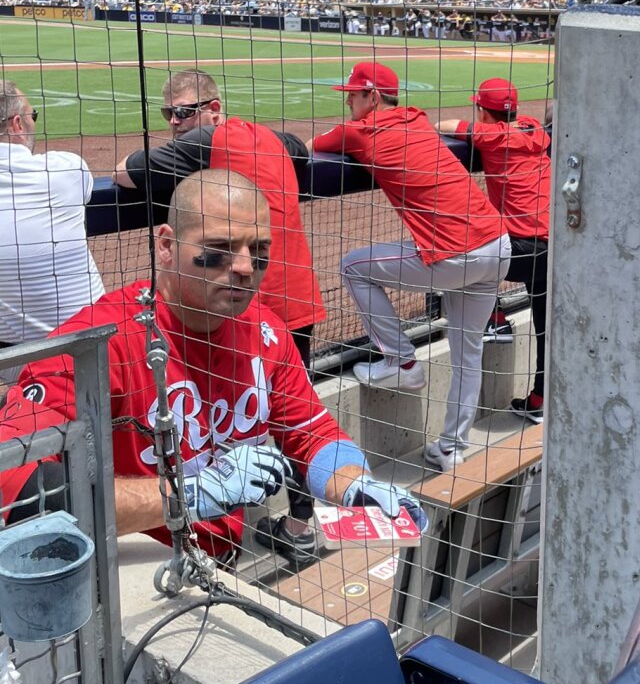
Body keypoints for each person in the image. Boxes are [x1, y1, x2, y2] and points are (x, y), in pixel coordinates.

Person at [0, 170, 420, 558]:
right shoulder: (95, 345)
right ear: (166, 246)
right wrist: (189, 493)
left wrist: (354, 484)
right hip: (131, 562)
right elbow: (17, 486)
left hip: (219, 559)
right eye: (219, 250)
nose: (243, 267)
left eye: (258, 250)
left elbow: (311, 433)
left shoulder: (265, 330)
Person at [113, 69, 326, 560]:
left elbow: (125, 171)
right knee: (282, 420)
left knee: (222, 418)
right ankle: (298, 525)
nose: (174, 122)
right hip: (297, 295)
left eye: (185, 111)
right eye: (168, 113)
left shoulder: (205, 139)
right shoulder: (272, 136)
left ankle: (215, 530)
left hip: (251, 306)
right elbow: (302, 150)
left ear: (213, 108)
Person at [309, 61, 509, 472]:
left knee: (352, 266)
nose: (348, 100)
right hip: (498, 245)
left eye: (353, 94)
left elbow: (315, 144)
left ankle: (401, 363)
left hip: (455, 254)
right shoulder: (418, 118)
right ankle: (451, 448)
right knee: (468, 354)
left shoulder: (356, 131)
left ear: (373, 97)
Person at [437, 78, 549, 423]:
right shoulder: (533, 128)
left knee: (453, 256)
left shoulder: (493, 135)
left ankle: (495, 319)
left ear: (484, 111)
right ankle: (540, 399)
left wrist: (484, 128)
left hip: (519, 250)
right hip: (552, 248)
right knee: (545, 327)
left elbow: (442, 126)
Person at [0, 82, 103, 348]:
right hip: (90, 348)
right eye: (32, 116)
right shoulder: (64, 169)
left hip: (14, 360)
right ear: (17, 124)